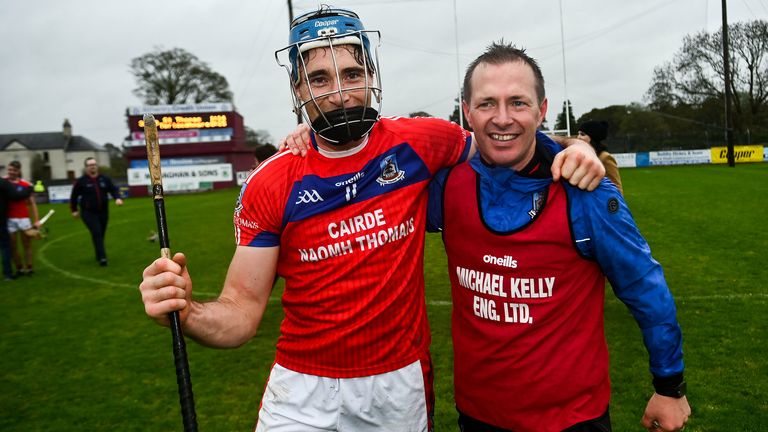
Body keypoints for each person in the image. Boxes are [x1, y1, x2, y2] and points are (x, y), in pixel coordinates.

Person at [138, 7, 604, 431]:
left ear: (372, 74)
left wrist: (574, 147)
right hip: (300, 389)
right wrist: (187, 311)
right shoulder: (271, 182)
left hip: (397, 387)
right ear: (298, 90)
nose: (340, 93)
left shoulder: (422, 142)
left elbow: (504, 141)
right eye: (320, 79)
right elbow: (240, 315)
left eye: (352, 73)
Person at [426, 42, 690, 432]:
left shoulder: (587, 191)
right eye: (486, 104)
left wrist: (670, 387)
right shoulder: (446, 188)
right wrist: (307, 142)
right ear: (467, 111)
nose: (502, 118)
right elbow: (367, 183)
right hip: (478, 417)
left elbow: (645, 287)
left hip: (572, 421)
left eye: (517, 102)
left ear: (542, 109)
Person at [69, 157, 123, 266]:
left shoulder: (104, 179)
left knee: (100, 234)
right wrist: (74, 210)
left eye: (94, 164)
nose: (92, 166)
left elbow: (113, 189)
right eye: (90, 165)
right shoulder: (81, 181)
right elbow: (74, 196)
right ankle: (103, 258)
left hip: (103, 212)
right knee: (97, 232)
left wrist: (117, 198)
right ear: (86, 167)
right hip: (88, 212)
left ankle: (98, 254)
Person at [4, 161, 39, 276]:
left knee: (27, 245)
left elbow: (32, 203)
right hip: (9, 219)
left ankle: (29, 268)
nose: (11, 172)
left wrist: (36, 220)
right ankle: (19, 269)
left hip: (24, 218)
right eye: (9, 170)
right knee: (13, 246)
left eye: (13, 170)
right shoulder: (3, 182)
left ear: (18, 171)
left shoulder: (25, 184)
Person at [578, 120, 623, 195]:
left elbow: (616, 187)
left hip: (600, 204)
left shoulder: (605, 157)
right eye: (578, 134)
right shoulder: (581, 155)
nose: (578, 137)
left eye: (582, 134)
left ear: (592, 137)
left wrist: (614, 205)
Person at [0, 178, 32, 280]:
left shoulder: (5, 182)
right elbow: (16, 196)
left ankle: (26, 268)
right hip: (3, 218)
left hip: (16, 218)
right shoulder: (3, 182)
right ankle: (9, 274)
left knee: (22, 245)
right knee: (6, 247)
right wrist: (30, 188)